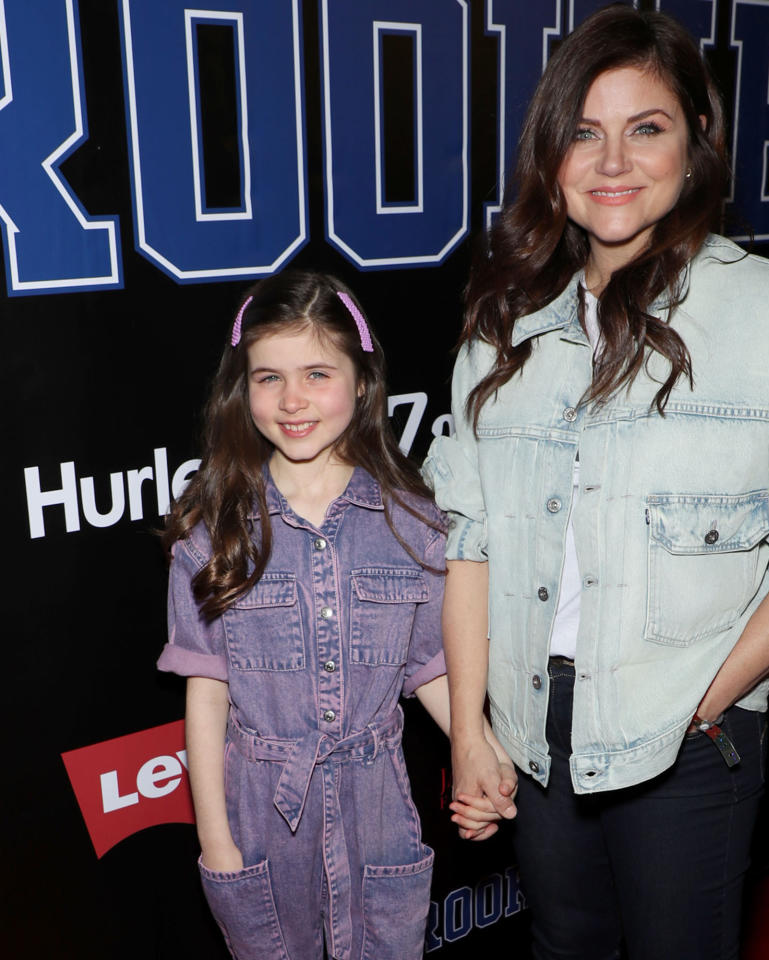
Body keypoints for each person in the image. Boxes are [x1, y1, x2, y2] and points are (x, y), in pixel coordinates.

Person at [423, 7, 769, 959]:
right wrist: (474, 732)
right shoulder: (502, 336)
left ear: (697, 145)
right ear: (552, 160)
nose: (613, 160)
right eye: (584, 131)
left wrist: (711, 697)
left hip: (691, 732)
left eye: (645, 128)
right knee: (566, 951)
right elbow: (471, 544)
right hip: (536, 726)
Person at [157, 271, 511, 960]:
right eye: (268, 377)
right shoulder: (213, 530)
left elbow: (431, 669)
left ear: (361, 381)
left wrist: (487, 760)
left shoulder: (415, 523)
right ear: (243, 387)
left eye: (317, 373)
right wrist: (216, 844)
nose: (292, 400)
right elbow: (206, 693)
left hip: (378, 805)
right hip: (259, 817)